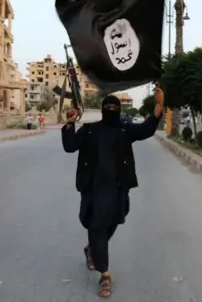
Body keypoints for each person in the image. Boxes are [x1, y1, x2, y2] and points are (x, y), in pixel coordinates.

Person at [61, 84, 164, 298]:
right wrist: (70, 123)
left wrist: (160, 104)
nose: (110, 109)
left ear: (117, 110)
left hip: (118, 188)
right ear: (102, 108)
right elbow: (70, 146)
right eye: (106, 106)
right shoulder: (90, 129)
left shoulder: (125, 129)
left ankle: (92, 249)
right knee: (97, 226)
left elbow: (147, 128)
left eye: (113, 106)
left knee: (115, 220)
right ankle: (105, 274)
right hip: (93, 189)